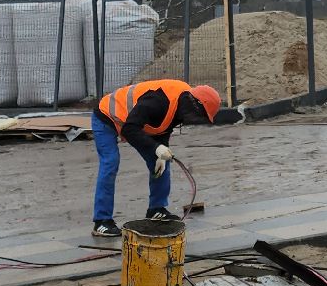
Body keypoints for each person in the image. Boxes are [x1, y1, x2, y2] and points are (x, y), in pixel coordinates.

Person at [91, 78, 227, 238]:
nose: (196, 119)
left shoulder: (182, 104)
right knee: (110, 162)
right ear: (194, 104)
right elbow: (129, 129)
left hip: (133, 123)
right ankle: (102, 221)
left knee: (162, 161)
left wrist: (161, 153)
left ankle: (156, 209)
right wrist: (156, 148)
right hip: (107, 115)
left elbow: (164, 128)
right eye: (199, 115)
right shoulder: (158, 101)